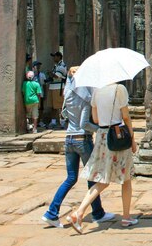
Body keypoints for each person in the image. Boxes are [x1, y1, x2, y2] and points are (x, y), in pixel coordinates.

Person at [41, 66, 115, 229]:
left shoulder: (68, 93)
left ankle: (51, 213)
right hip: (82, 139)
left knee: (70, 178)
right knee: (94, 177)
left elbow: (65, 115)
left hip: (69, 139)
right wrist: (101, 129)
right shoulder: (85, 99)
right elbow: (84, 124)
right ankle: (97, 213)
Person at [67, 83, 138, 234]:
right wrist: (132, 137)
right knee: (125, 178)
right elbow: (125, 116)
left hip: (103, 136)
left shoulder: (96, 92)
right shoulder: (120, 89)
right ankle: (125, 217)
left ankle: (79, 212)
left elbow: (96, 119)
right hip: (117, 136)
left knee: (103, 179)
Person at [47, 51, 67, 129]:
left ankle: (60, 122)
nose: (53, 58)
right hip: (54, 87)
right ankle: (54, 122)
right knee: (53, 106)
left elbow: (56, 76)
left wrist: (50, 73)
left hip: (58, 88)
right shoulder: (56, 66)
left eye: (55, 56)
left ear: (59, 57)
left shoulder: (61, 66)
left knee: (58, 106)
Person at [32, 61, 47, 127]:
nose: (38, 67)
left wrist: (45, 93)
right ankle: (33, 122)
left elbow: (44, 85)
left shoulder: (42, 75)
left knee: (41, 107)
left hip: (40, 93)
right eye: (36, 66)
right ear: (33, 67)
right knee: (34, 107)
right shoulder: (31, 75)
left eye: (39, 66)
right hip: (33, 93)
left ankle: (40, 121)